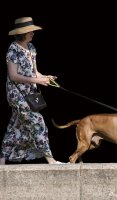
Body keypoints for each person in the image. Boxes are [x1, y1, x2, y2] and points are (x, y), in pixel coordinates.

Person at [0, 17, 63, 164]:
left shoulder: (32, 48)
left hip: (29, 94)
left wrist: (45, 77)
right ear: (22, 33)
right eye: (30, 31)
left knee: (14, 127)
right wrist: (37, 80)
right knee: (38, 122)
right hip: (17, 95)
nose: (33, 33)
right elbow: (13, 76)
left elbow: (34, 72)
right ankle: (51, 160)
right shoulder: (13, 50)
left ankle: (1, 162)